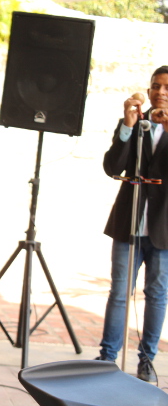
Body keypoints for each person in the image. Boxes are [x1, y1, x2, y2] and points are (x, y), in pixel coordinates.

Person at [97, 65, 168, 383]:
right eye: (156, 86)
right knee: (119, 291)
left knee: (157, 293)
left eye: (167, 87)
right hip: (129, 221)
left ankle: (147, 360)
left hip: (163, 227)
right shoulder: (135, 122)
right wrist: (127, 126)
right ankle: (107, 357)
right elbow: (113, 166)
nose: (160, 92)